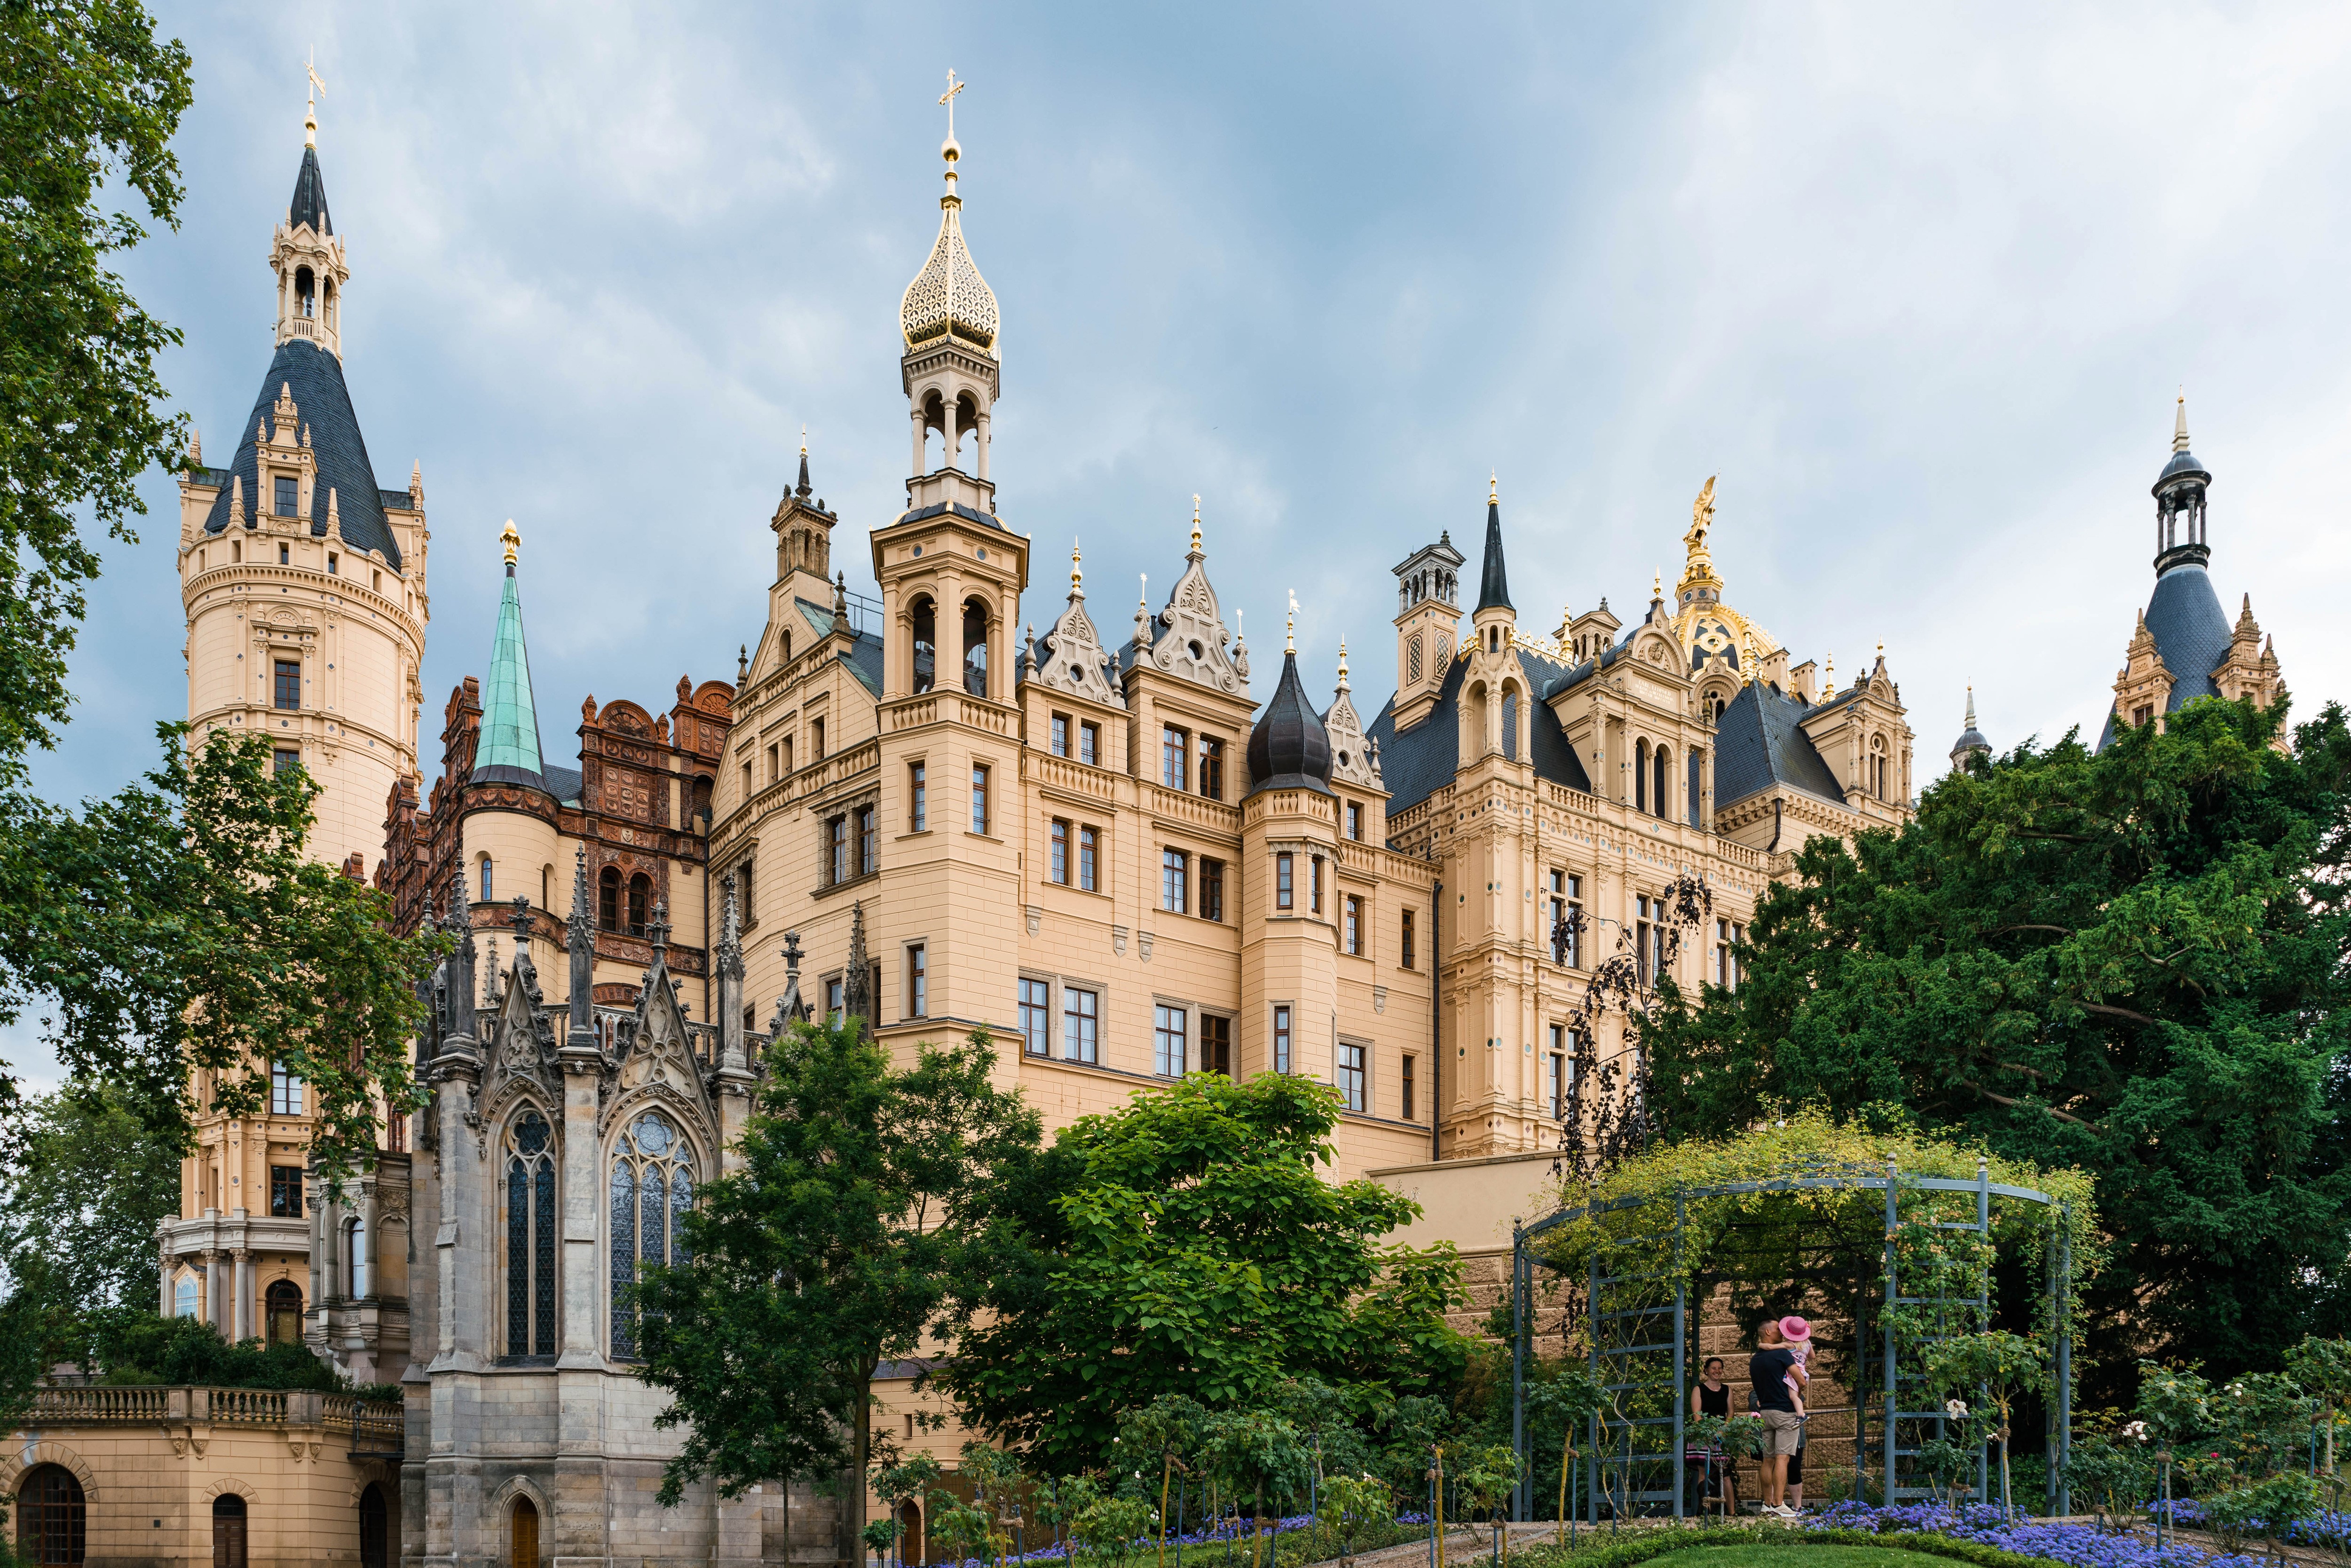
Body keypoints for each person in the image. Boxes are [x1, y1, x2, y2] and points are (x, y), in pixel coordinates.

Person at [1749, 1320, 1808, 1519]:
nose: (1782, 1333)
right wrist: (1799, 1391)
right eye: (1777, 1329)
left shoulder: (1755, 1359)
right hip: (1785, 1413)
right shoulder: (1782, 1354)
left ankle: (1767, 1505)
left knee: (1768, 1460)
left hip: (1765, 1413)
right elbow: (1800, 1379)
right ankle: (1779, 1504)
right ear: (1767, 1331)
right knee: (1783, 1459)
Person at [1688, 1356, 1737, 1513]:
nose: (1717, 1371)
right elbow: (1697, 1414)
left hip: (1721, 1436)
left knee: (1725, 1473)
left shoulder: (1727, 1390)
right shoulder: (1699, 1390)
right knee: (1704, 1472)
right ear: (1707, 1370)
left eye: (1720, 1368)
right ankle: (1706, 1511)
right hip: (1703, 1435)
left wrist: (1724, 1429)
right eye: (1714, 1368)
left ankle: (1732, 1513)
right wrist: (1707, 1432)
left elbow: (1730, 1413)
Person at [1779, 1316, 1814, 1510]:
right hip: (1804, 1373)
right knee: (1797, 1395)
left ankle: (1801, 1415)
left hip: (1794, 1373)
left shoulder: (1787, 1345)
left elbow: (1775, 1350)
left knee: (1794, 1397)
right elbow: (1813, 1357)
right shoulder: (1807, 1343)